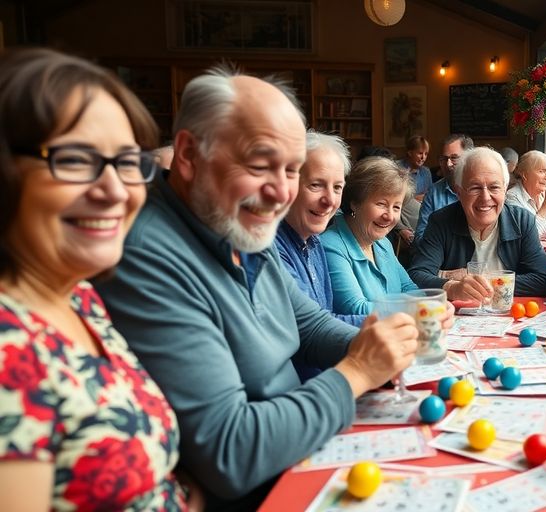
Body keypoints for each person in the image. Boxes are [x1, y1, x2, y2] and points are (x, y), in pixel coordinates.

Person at [94, 65, 446, 510]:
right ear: (187, 155)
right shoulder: (148, 255)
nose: (281, 192)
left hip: (306, 447)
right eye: (261, 166)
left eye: (293, 170)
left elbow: (307, 321)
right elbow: (230, 450)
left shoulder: (231, 218)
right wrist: (357, 371)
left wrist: (372, 345)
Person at [0, 48, 190, 510]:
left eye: (128, 163)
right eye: (75, 159)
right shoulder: (8, 354)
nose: (114, 190)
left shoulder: (78, 296)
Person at [274, 131, 366, 381]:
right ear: (287, 183)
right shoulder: (272, 247)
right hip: (305, 394)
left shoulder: (314, 242)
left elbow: (326, 319)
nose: (329, 200)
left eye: (337, 188)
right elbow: (311, 330)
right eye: (316, 185)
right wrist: (402, 316)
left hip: (331, 379)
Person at [409, 147, 546, 300]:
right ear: (459, 192)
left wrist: (484, 280)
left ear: (505, 190)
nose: (485, 197)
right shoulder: (441, 221)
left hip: (509, 315)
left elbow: (542, 280)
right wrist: (452, 288)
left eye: (494, 187)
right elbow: (417, 276)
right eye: (475, 187)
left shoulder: (522, 221)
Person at [322, 157, 418, 315]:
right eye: (381, 204)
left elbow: (408, 287)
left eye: (396, 207)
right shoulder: (330, 245)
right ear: (355, 203)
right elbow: (356, 309)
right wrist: (418, 309)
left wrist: (435, 304)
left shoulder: (382, 243)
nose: (389, 216)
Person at [415, 134, 473, 241]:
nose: (448, 164)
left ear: (469, 159)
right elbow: (420, 236)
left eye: (454, 158)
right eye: (444, 159)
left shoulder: (480, 190)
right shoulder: (433, 192)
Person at [506, 150, 546, 241]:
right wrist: (545, 207)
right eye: (542, 171)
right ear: (525, 175)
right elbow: (529, 237)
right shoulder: (512, 197)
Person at [399, 135, 432, 200]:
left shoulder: (426, 172)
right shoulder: (395, 167)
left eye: (426, 154)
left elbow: (429, 196)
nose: (423, 158)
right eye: (420, 153)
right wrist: (415, 198)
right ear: (410, 153)